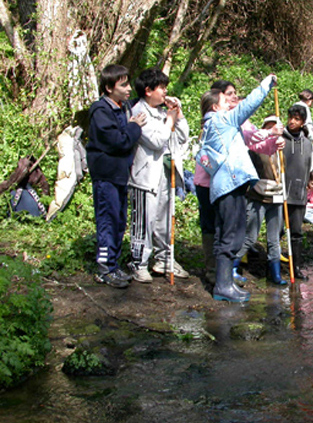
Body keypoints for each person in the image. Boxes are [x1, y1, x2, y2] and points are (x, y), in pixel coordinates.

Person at [198, 74, 277, 302]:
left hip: (227, 185)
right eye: (226, 101)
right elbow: (248, 106)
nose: (232, 104)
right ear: (215, 107)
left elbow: (252, 137)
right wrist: (266, 84)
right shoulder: (221, 120)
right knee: (230, 236)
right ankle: (223, 286)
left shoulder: (214, 125)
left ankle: (224, 283)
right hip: (229, 184)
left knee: (227, 234)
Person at [128, 68, 190, 283]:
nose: (165, 92)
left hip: (166, 173)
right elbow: (156, 140)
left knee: (164, 219)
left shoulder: (164, 112)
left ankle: (164, 259)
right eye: (161, 88)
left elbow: (183, 136)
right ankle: (139, 263)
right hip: (145, 177)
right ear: (148, 90)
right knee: (144, 221)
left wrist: (177, 114)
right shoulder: (138, 112)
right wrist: (170, 120)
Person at [86, 64, 146, 288]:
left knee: (119, 221)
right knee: (107, 221)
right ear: (110, 87)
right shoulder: (101, 111)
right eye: (123, 85)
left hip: (121, 175)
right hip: (106, 176)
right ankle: (104, 269)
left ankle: (113, 265)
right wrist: (133, 128)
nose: (128, 88)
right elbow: (118, 141)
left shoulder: (123, 107)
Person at [234, 115, 287, 285]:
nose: (273, 131)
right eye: (269, 127)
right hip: (258, 196)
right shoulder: (255, 149)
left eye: (276, 127)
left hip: (276, 197)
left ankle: (275, 274)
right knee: (250, 236)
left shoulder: (281, 149)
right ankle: (232, 267)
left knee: (274, 239)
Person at [281, 104, 313, 280]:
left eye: (297, 119)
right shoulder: (280, 140)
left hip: (299, 194)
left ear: (302, 122)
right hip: (281, 193)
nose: (292, 122)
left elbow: (310, 164)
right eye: (290, 118)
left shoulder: (307, 144)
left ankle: (296, 267)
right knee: (277, 231)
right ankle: (273, 266)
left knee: (296, 232)